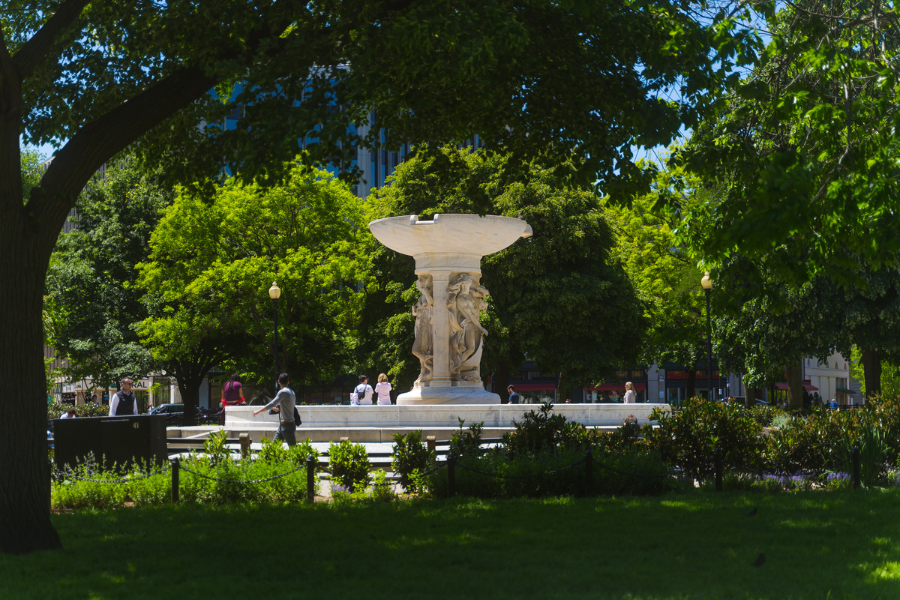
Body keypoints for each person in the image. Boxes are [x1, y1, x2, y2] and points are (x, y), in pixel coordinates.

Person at [253, 373, 297, 446]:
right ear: (288, 381)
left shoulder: (283, 392)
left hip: (287, 425)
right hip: (285, 425)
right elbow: (288, 407)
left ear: (278, 382)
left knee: (294, 449)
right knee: (273, 448)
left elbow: (272, 404)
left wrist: (258, 411)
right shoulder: (292, 392)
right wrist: (279, 408)